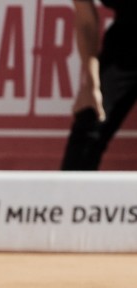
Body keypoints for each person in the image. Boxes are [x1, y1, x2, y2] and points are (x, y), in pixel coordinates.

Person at [60, 0, 137, 170]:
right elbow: (86, 22)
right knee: (91, 118)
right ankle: (70, 194)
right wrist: (91, 83)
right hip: (128, 37)